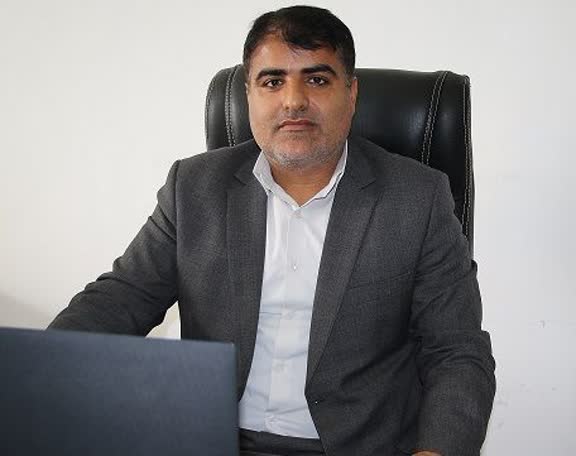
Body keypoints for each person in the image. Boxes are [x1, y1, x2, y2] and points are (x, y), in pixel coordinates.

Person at [49, 6, 495, 456]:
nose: (293, 101)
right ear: (249, 94)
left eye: (317, 79)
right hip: (214, 440)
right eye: (272, 81)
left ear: (351, 93)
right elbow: (120, 300)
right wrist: (37, 370)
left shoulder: (416, 198)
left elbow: (457, 351)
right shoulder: (195, 188)